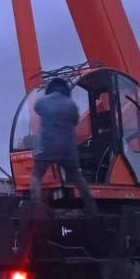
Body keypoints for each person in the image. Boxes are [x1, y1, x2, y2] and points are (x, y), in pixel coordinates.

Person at [30, 78, 97, 216]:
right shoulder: (71, 105)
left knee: (36, 176)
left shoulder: (42, 102)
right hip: (67, 149)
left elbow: (36, 108)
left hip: (46, 147)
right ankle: (90, 206)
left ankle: (35, 206)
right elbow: (75, 121)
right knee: (77, 177)